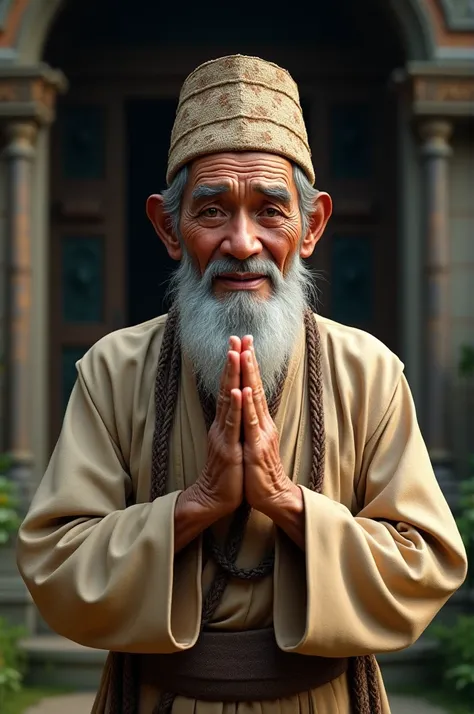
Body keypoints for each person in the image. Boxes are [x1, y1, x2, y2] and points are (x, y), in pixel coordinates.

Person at [17, 55, 467, 714]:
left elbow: (426, 562)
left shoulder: (369, 372)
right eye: (212, 211)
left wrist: (286, 502)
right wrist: (197, 504)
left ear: (310, 228)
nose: (242, 241)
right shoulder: (113, 369)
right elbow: (56, 560)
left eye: (270, 210)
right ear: (169, 229)